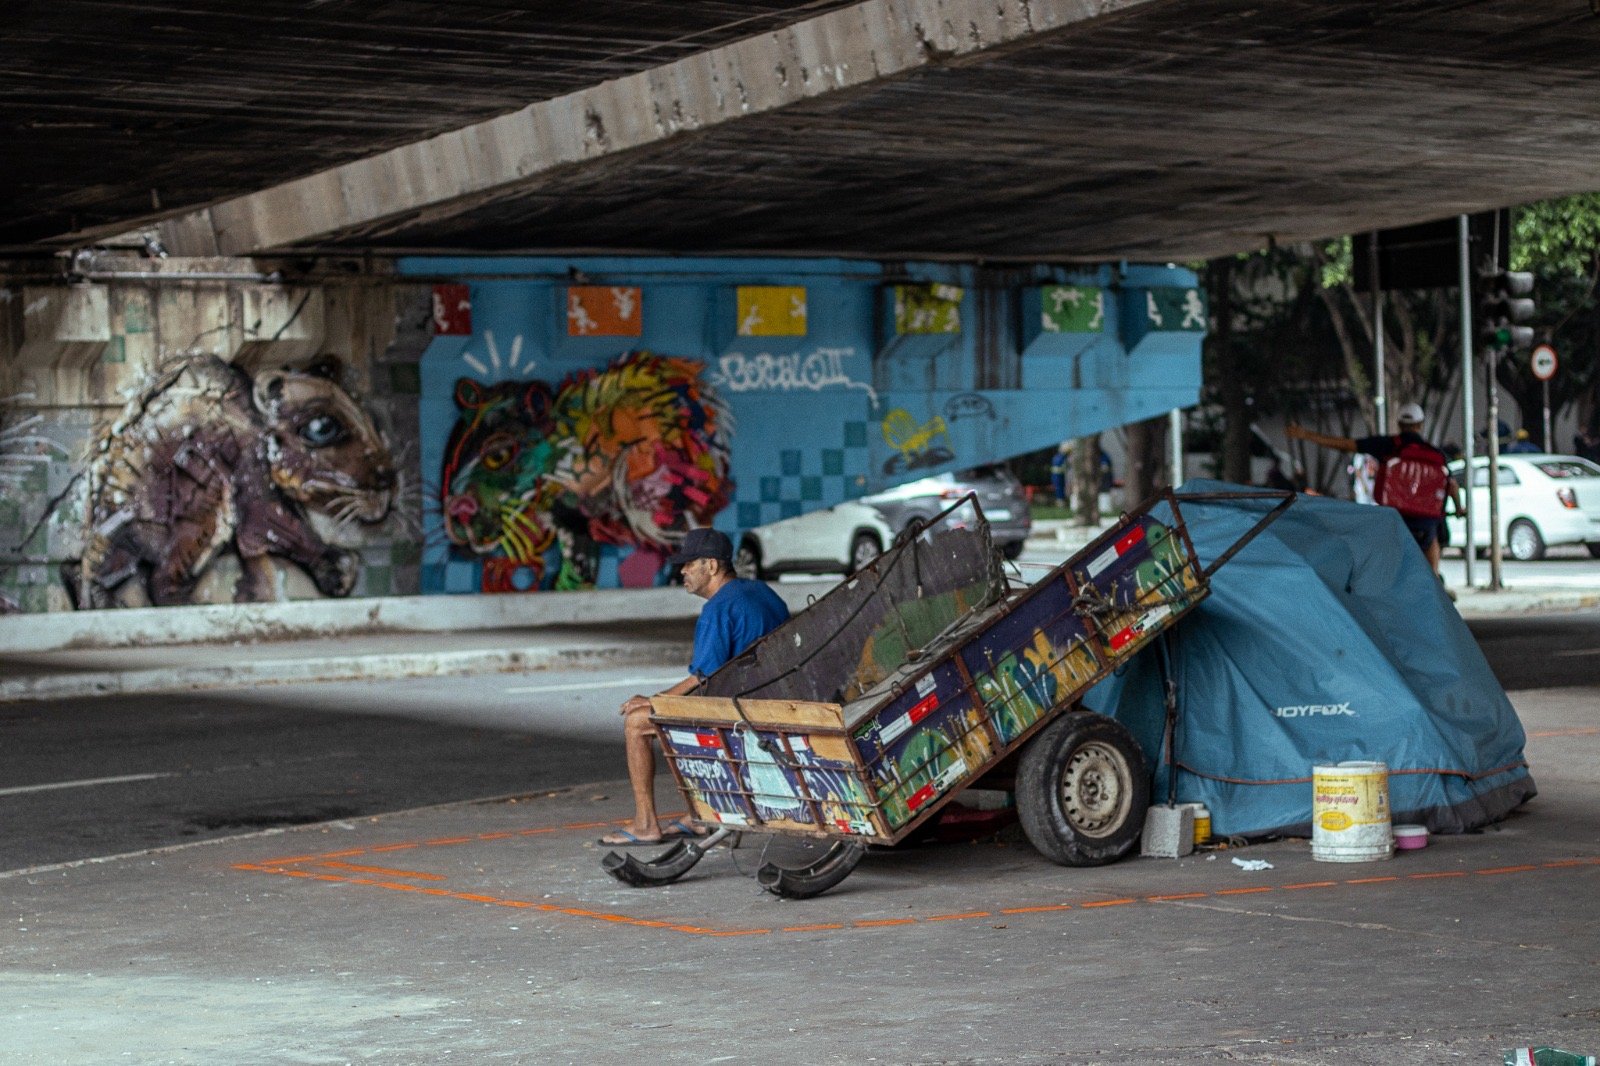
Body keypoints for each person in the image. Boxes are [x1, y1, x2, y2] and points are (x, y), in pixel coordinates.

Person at [600, 527, 789, 846]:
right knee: (674, 711)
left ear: (712, 566)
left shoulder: (718, 608)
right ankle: (698, 816)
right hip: (773, 700)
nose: (682, 571)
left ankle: (646, 824)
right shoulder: (762, 592)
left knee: (637, 722)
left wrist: (652, 701)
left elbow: (701, 678)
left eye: (689, 564)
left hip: (741, 713)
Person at [1286, 402, 1463, 576]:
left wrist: (1306, 435)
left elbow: (1345, 444)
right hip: (1426, 525)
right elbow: (1452, 486)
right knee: (1431, 567)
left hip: (1394, 520)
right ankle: (1437, 585)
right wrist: (1459, 508)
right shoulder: (1435, 454)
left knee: (1387, 571)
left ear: (1400, 424)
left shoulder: (1388, 445)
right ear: (1420, 424)